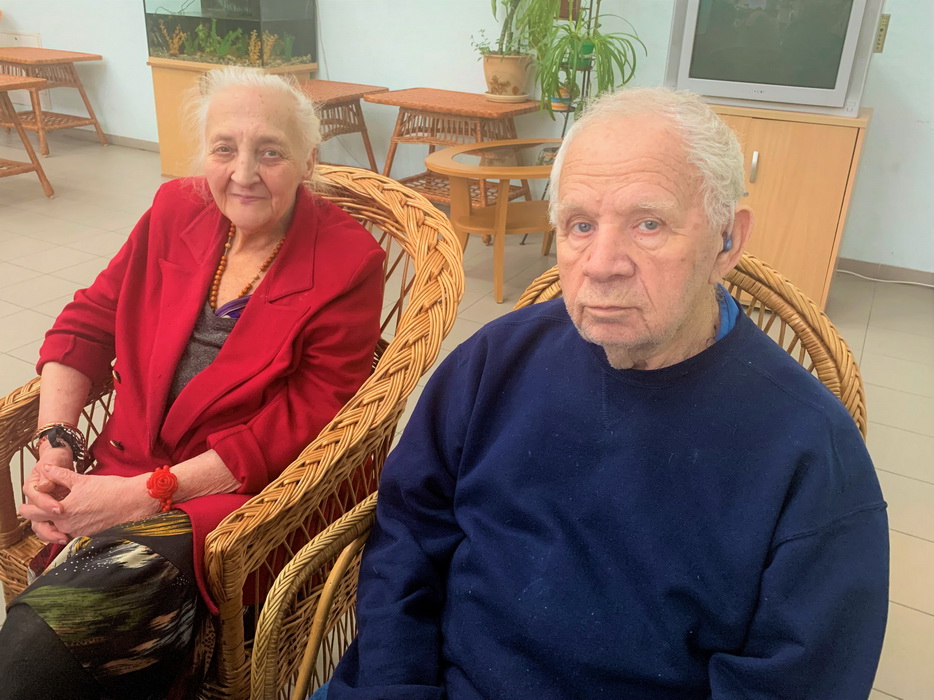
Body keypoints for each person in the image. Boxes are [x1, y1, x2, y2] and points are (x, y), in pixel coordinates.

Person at [324, 88, 888, 699]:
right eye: (581, 225)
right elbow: (405, 533)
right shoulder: (495, 361)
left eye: (649, 224)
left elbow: (795, 681)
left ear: (728, 240)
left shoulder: (811, 452)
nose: (601, 264)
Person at [0, 66, 386, 699]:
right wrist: (56, 448)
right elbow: (86, 324)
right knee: (61, 645)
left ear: (308, 162)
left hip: (243, 503)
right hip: (126, 466)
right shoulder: (175, 209)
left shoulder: (349, 261)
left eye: (271, 152)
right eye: (224, 148)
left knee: (40, 648)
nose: (244, 172)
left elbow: (300, 422)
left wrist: (145, 496)